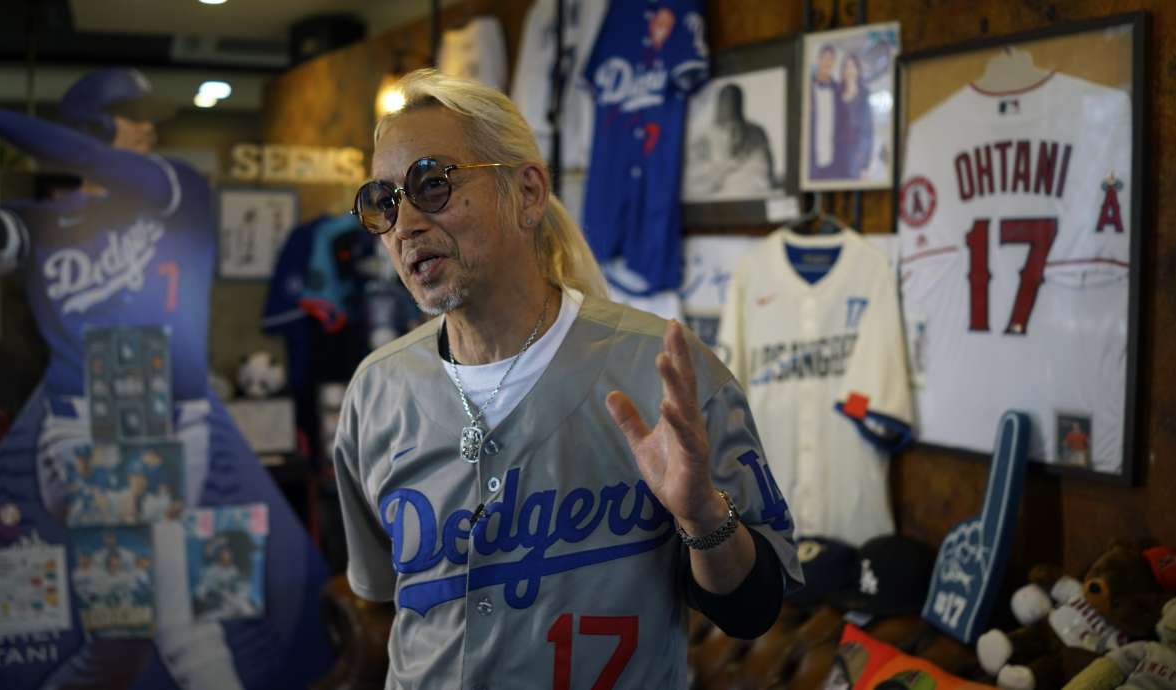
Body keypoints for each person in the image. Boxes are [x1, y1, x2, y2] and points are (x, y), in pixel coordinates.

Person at [334, 69, 802, 689]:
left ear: (527, 193)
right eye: (383, 202)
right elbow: (389, 596)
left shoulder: (660, 369)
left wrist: (701, 515)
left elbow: (752, 610)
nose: (405, 225)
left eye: (432, 183)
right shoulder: (377, 390)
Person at [0, 69, 331, 690]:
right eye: (130, 114)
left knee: (118, 649)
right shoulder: (46, 222)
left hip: (180, 432)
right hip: (86, 437)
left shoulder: (178, 192)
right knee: (184, 629)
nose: (149, 127)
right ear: (92, 127)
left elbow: (90, 160)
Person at [686, 83, 779, 198]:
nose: (730, 106)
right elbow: (695, 180)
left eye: (735, 101)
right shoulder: (702, 138)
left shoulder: (757, 132)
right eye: (726, 101)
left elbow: (762, 174)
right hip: (715, 199)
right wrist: (725, 167)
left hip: (749, 194)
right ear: (719, 104)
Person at [834, 53, 874, 180]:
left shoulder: (864, 96)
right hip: (837, 155)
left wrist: (865, 165)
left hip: (856, 156)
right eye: (846, 67)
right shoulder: (836, 93)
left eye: (852, 67)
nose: (849, 70)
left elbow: (868, 133)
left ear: (857, 70)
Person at [809, 44, 840, 180]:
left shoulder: (838, 90)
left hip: (833, 160)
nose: (828, 62)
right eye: (825, 58)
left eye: (831, 59)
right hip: (811, 160)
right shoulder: (807, 88)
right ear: (818, 60)